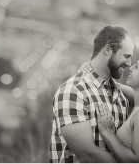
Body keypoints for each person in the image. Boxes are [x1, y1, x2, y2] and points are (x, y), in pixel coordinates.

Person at [49, 26, 134, 162]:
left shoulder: (121, 97)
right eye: (126, 56)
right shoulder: (74, 92)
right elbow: (87, 155)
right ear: (107, 50)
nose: (129, 63)